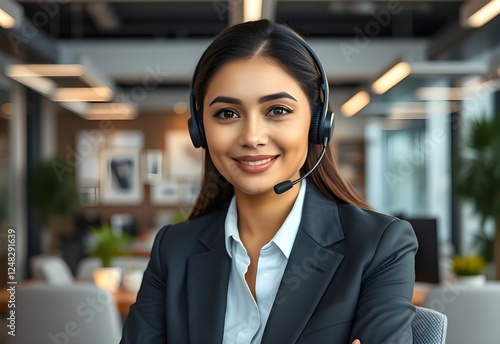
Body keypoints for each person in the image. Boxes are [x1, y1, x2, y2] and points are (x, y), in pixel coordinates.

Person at [120, 19, 417, 344]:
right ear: (200, 131)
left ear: (317, 123)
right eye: (227, 114)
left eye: (277, 110)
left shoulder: (379, 247)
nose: (252, 137)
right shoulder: (173, 250)